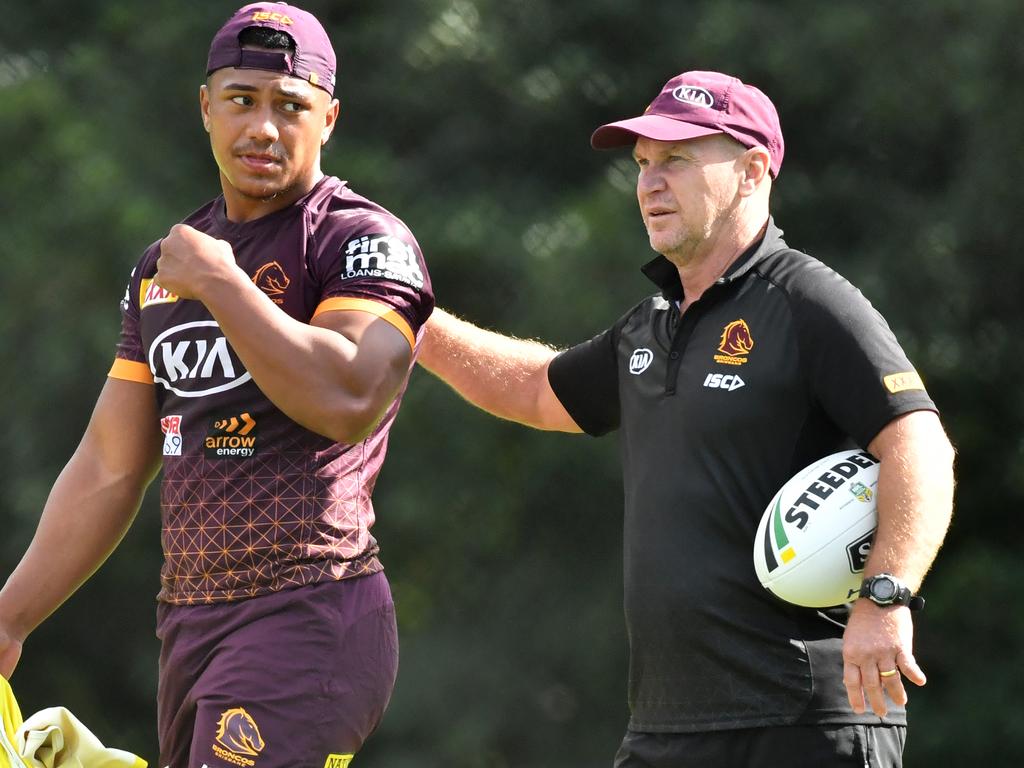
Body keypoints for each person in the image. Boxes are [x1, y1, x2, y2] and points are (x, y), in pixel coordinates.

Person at [417, 70, 955, 767]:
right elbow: (532, 390)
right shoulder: (650, 326)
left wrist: (886, 598)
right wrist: (408, 322)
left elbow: (921, 447)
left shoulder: (810, 302)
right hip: (668, 729)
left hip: (801, 721)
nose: (648, 182)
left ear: (753, 171)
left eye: (676, 158)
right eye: (642, 164)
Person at [0, 4, 433, 767]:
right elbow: (109, 464)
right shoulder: (161, 271)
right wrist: (9, 618)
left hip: (310, 613)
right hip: (190, 630)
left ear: (328, 119)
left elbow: (348, 398)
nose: (263, 128)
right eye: (241, 100)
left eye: (290, 106)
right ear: (206, 107)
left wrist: (225, 285)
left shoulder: (360, 239)